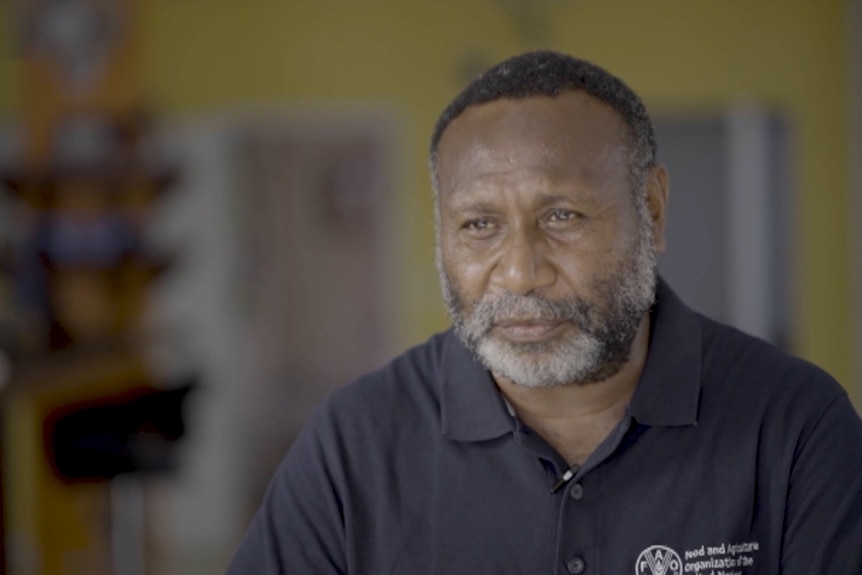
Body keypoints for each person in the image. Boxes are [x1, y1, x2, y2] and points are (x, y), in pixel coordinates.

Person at [227, 51, 862, 575]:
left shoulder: (795, 426)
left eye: (562, 217)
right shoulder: (354, 446)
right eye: (479, 224)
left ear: (653, 212)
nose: (520, 271)